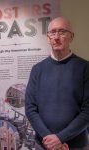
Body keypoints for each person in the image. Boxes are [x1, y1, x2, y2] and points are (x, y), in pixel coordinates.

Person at [25, 17, 89, 150]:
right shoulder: (37, 69)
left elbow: (87, 111)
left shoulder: (85, 68)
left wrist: (61, 138)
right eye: (52, 33)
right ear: (48, 38)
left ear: (71, 36)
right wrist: (50, 139)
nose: (56, 37)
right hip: (44, 144)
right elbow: (30, 109)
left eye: (62, 32)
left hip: (74, 145)